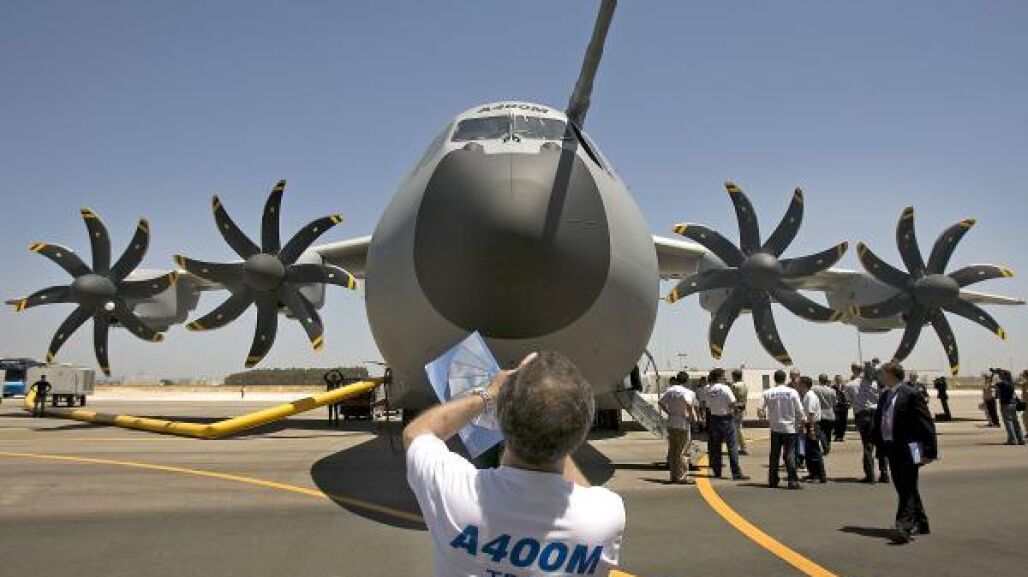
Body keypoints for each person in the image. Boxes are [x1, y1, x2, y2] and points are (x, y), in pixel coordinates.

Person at [403, 351, 625, 576]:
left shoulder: (455, 493)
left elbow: (416, 433)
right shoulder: (606, 515)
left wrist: (489, 395)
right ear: (581, 430)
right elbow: (584, 493)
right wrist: (553, 425)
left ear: (502, 418)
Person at [871, 361, 938, 543]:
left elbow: (926, 423)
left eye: (883, 374)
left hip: (910, 448)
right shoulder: (885, 395)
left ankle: (904, 526)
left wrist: (929, 452)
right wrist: (877, 444)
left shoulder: (911, 394)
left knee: (906, 487)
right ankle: (922, 523)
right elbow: (881, 422)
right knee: (906, 486)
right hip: (892, 448)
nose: (881, 377)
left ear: (891, 374)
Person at [758, 369, 806, 490]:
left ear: (774, 379)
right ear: (785, 379)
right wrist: (803, 422)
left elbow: (760, 409)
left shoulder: (768, 392)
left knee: (774, 455)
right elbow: (799, 410)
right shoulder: (792, 392)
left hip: (775, 428)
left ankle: (773, 480)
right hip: (790, 428)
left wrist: (763, 417)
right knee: (789, 454)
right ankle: (792, 481)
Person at [844, 361, 890, 483]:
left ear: (853, 370)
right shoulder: (876, 383)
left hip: (863, 416)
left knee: (868, 446)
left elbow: (848, 403)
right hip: (878, 415)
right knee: (881, 444)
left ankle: (870, 475)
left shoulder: (850, 385)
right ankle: (884, 473)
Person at [703, 368, 749, 481]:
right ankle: (736, 473)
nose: (725, 378)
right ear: (719, 377)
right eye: (723, 376)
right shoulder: (725, 388)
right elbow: (732, 403)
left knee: (716, 446)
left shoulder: (709, 390)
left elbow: (707, 405)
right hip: (726, 418)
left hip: (714, 419)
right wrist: (737, 409)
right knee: (732, 446)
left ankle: (717, 471)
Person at [659, 376, 698, 484]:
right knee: (683, 451)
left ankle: (674, 476)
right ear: (686, 381)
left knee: (673, 450)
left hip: (671, 421)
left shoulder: (670, 390)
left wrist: (669, 412)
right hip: (682, 423)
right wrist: (691, 417)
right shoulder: (687, 392)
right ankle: (682, 476)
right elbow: (689, 404)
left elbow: (661, 402)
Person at [798, 377, 827, 483]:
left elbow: (810, 414)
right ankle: (812, 474)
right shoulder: (806, 395)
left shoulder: (810, 396)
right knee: (809, 452)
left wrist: (811, 430)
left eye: (800, 383)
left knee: (815, 452)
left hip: (812, 425)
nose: (798, 386)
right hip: (809, 425)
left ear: (804, 385)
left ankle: (820, 476)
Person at [994, 369, 1025, 445]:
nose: (1000, 376)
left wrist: (994, 375)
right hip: (1013, 404)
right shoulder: (1011, 384)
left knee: (1008, 422)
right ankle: (1020, 439)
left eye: (1001, 375)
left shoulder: (1003, 384)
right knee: (1015, 422)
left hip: (1006, 405)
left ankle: (1012, 439)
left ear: (1005, 376)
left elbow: (994, 384)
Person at [812, 374, 837, 455]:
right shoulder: (832, 391)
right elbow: (834, 403)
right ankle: (828, 446)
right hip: (830, 413)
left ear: (819, 380)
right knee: (828, 432)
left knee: (820, 431)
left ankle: (824, 446)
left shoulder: (814, 389)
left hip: (819, 413)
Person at [729, 369, 749, 455]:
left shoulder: (734, 386)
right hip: (742, 407)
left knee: (736, 429)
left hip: (736, 408)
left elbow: (731, 398)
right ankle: (740, 447)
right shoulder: (744, 385)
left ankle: (742, 447)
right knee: (738, 428)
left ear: (734, 376)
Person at [832, 374, 850, 441]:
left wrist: (848, 403)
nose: (838, 381)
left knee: (843, 422)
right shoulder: (833, 387)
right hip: (836, 407)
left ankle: (841, 436)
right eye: (837, 379)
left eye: (839, 379)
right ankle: (837, 436)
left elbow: (848, 396)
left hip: (844, 407)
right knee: (837, 422)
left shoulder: (845, 387)